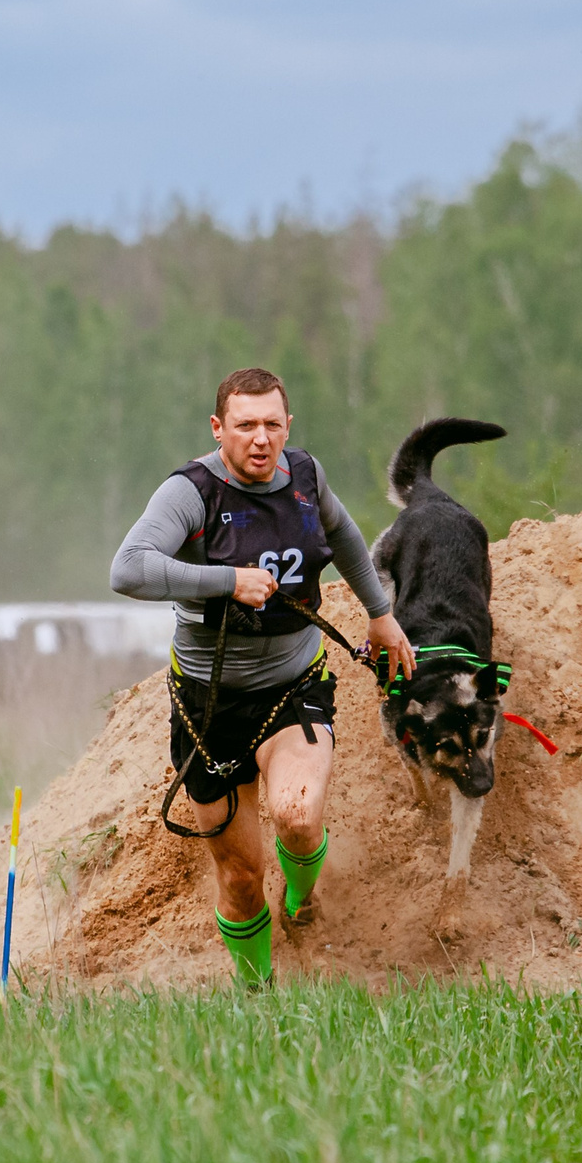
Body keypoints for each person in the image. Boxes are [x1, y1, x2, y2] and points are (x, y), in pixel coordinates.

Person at [109, 366, 415, 990]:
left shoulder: (305, 476)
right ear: (218, 428)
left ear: (288, 426)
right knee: (242, 878)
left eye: (272, 424)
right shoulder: (190, 493)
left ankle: (303, 899)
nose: (260, 438)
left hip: (292, 684)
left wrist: (381, 616)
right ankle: (259, 993)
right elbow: (129, 569)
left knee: (298, 817)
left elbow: (346, 536)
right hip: (207, 703)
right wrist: (229, 580)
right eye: (245, 425)